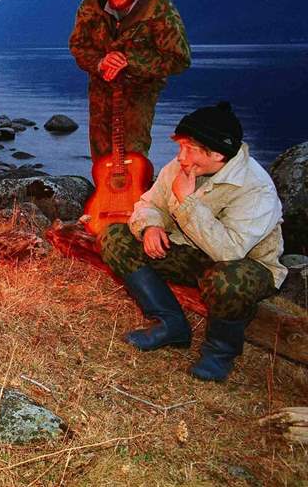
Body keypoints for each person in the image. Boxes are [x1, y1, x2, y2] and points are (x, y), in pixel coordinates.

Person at [100, 102, 285, 382]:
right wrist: (151, 226)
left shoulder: (256, 189)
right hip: (192, 252)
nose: (180, 157)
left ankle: (219, 352)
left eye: (189, 149)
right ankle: (170, 324)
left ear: (217, 153)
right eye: (181, 147)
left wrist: (186, 202)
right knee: (115, 237)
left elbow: (229, 251)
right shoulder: (181, 166)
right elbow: (149, 203)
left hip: (245, 265)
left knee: (228, 280)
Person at [69, 0, 190, 161]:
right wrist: (100, 62)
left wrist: (130, 62)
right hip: (101, 85)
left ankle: (137, 182)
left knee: (133, 154)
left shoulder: (160, 11)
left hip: (140, 88)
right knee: (101, 155)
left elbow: (180, 59)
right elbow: (78, 46)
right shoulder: (91, 7)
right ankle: (103, 183)